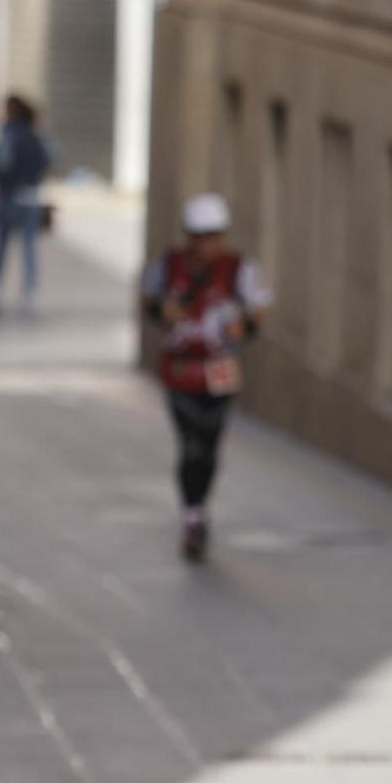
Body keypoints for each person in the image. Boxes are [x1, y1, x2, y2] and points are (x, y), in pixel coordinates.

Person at [139, 193, 274, 561]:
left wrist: (241, 327)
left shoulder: (238, 269)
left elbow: (259, 309)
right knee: (191, 446)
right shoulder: (167, 266)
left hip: (219, 372)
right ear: (188, 235)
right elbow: (149, 301)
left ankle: (200, 503)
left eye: (212, 235)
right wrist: (162, 311)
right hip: (181, 369)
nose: (205, 244)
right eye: (198, 235)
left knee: (210, 447)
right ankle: (193, 514)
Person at [0, 95, 54, 310]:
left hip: (10, 196)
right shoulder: (37, 135)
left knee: (1, 247)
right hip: (32, 196)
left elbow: (2, 165)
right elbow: (50, 159)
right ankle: (28, 292)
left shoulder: (9, 134)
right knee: (28, 247)